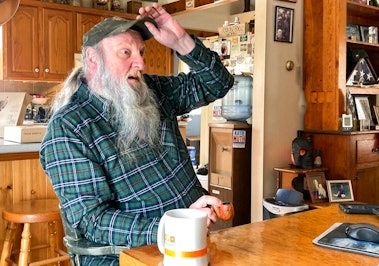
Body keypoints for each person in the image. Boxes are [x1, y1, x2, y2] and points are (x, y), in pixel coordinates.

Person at [39, 3, 234, 265]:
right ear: (93, 59)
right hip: (124, 254)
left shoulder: (152, 90)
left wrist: (181, 41)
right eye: (125, 52)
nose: (140, 62)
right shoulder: (69, 127)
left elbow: (218, 82)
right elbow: (91, 219)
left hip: (194, 239)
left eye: (141, 51)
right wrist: (172, 227)